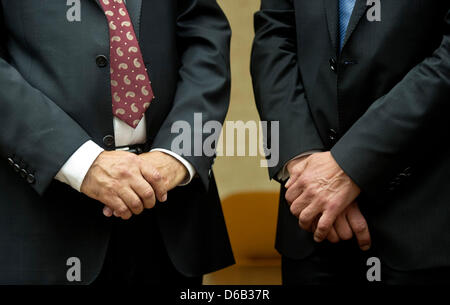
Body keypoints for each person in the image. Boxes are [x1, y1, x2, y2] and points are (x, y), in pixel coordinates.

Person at [0, 0, 234, 285]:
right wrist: (81, 163)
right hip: (47, 220)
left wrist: (177, 153)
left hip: (169, 214)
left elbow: (205, 37)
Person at [251, 0, 450, 284]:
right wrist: (301, 158)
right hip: (310, 222)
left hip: (421, 220)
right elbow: (274, 35)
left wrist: (350, 165)